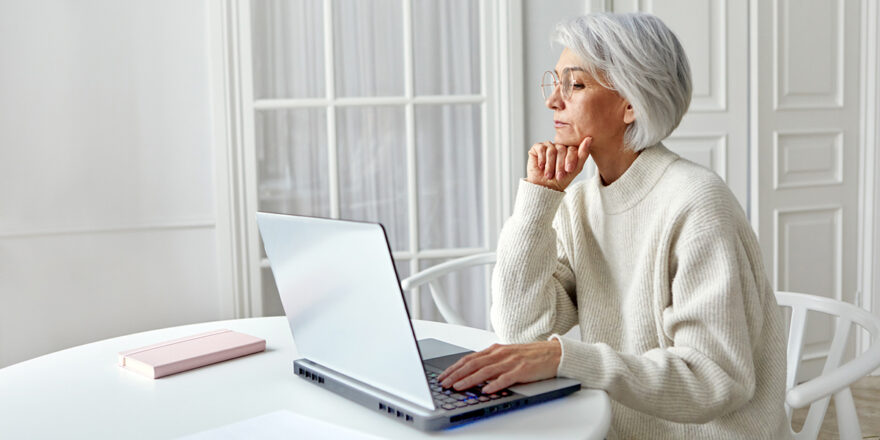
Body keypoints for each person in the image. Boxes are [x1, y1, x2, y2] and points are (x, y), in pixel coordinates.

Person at [437, 13, 789, 439]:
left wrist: (564, 359)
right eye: (557, 83)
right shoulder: (582, 202)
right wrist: (538, 198)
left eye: (577, 85)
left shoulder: (696, 202)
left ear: (631, 104)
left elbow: (715, 379)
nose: (553, 102)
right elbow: (519, 328)